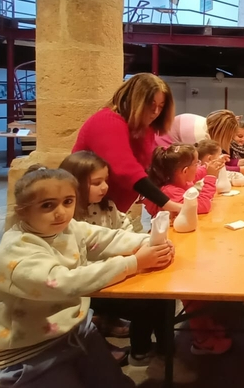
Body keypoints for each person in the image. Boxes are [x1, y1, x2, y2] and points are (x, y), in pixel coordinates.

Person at [0, 166, 173, 388]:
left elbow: (107, 239)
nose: (61, 212)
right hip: (28, 357)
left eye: (68, 202)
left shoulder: (68, 228)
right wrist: (134, 264)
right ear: (23, 210)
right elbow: (62, 282)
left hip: (75, 333)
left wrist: (149, 242)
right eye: (47, 205)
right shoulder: (15, 252)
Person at [59, 151, 173, 367]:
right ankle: (140, 351)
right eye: (96, 182)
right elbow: (82, 266)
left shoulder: (107, 206)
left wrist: (147, 243)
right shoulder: (71, 218)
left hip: (122, 271)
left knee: (163, 293)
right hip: (95, 284)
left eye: (105, 181)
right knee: (144, 303)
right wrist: (130, 260)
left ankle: (166, 346)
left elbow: (125, 230)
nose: (104, 187)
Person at [144, 143, 232, 355]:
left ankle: (206, 325)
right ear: (184, 171)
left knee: (199, 294)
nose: (199, 167)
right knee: (193, 296)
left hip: (187, 244)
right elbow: (201, 207)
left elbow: (198, 173)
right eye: (196, 163)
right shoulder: (170, 192)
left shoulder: (180, 182)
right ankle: (201, 340)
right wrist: (211, 178)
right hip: (175, 254)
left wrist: (210, 167)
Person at [72, 73, 181, 215]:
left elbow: (143, 170)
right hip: (88, 211)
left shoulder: (145, 128)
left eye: (160, 107)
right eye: (151, 105)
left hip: (112, 212)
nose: (155, 112)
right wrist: (168, 203)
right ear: (135, 101)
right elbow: (126, 170)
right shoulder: (106, 121)